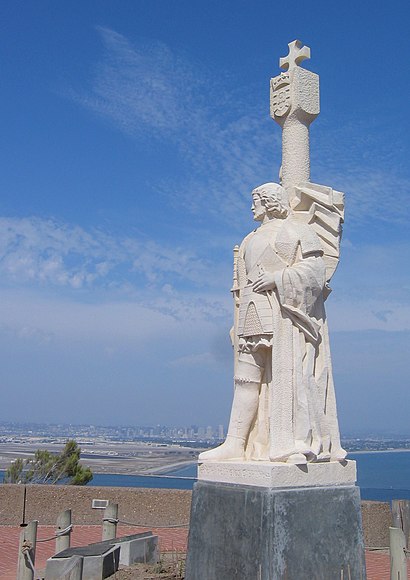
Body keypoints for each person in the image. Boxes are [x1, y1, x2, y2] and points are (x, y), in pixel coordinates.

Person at [199, 182, 346, 465]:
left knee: (287, 378)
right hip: (250, 317)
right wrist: (237, 322)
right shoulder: (247, 239)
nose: (252, 206)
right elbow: (242, 287)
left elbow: (316, 271)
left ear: (269, 202)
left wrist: (278, 279)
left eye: (255, 200)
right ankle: (235, 442)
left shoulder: (298, 230)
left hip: (283, 317)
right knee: (244, 380)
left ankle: (290, 444)